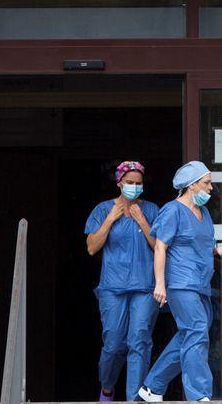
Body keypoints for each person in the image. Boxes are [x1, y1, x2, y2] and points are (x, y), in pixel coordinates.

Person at [138, 161, 222, 403]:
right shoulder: (173, 210)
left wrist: (218, 250)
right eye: (206, 182)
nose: (211, 188)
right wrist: (160, 284)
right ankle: (199, 394)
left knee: (188, 334)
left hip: (201, 284)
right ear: (192, 185)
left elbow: (198, 246)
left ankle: (152, 387)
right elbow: (161, 246)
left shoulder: (204, 215)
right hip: (181, 284)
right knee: (196, 332)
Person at [85, 161, 161, 402]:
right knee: (114, 344)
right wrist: (110, 220)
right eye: (129, 183)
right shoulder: (102, 209)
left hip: (145, 287)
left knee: (139, 340)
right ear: (119, 183)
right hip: (112, 288)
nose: (134, 187)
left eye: (138, 184)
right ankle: (107, 387)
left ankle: (133, 399)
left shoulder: (151, 210)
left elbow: (160, 247)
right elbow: (91, 248)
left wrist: (142, 222)